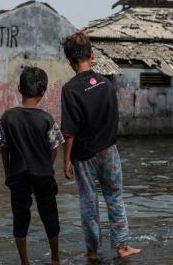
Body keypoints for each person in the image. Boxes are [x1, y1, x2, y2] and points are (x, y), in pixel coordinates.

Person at [60, 31, 142, 259]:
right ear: (92, 54)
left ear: (69, 61)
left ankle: (92, 252)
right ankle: (122, 247)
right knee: (115, 198)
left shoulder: (70, 89)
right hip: (109, 150)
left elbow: (69, 129)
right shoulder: (106, 84)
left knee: (88, 202)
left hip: (83, 156)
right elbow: (113, 118)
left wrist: (66, 160)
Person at [0, 66, 65, 265]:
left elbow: (4, 148)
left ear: (19, 88)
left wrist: (7, 172)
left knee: (20, 219)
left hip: (17, 174)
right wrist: (47, 165)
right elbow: (54, 148)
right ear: (43, 91)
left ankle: (24, 262)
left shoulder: (7, 117)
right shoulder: (46, 119)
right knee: (50, 216)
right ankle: (55, 259)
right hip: (43, 174)